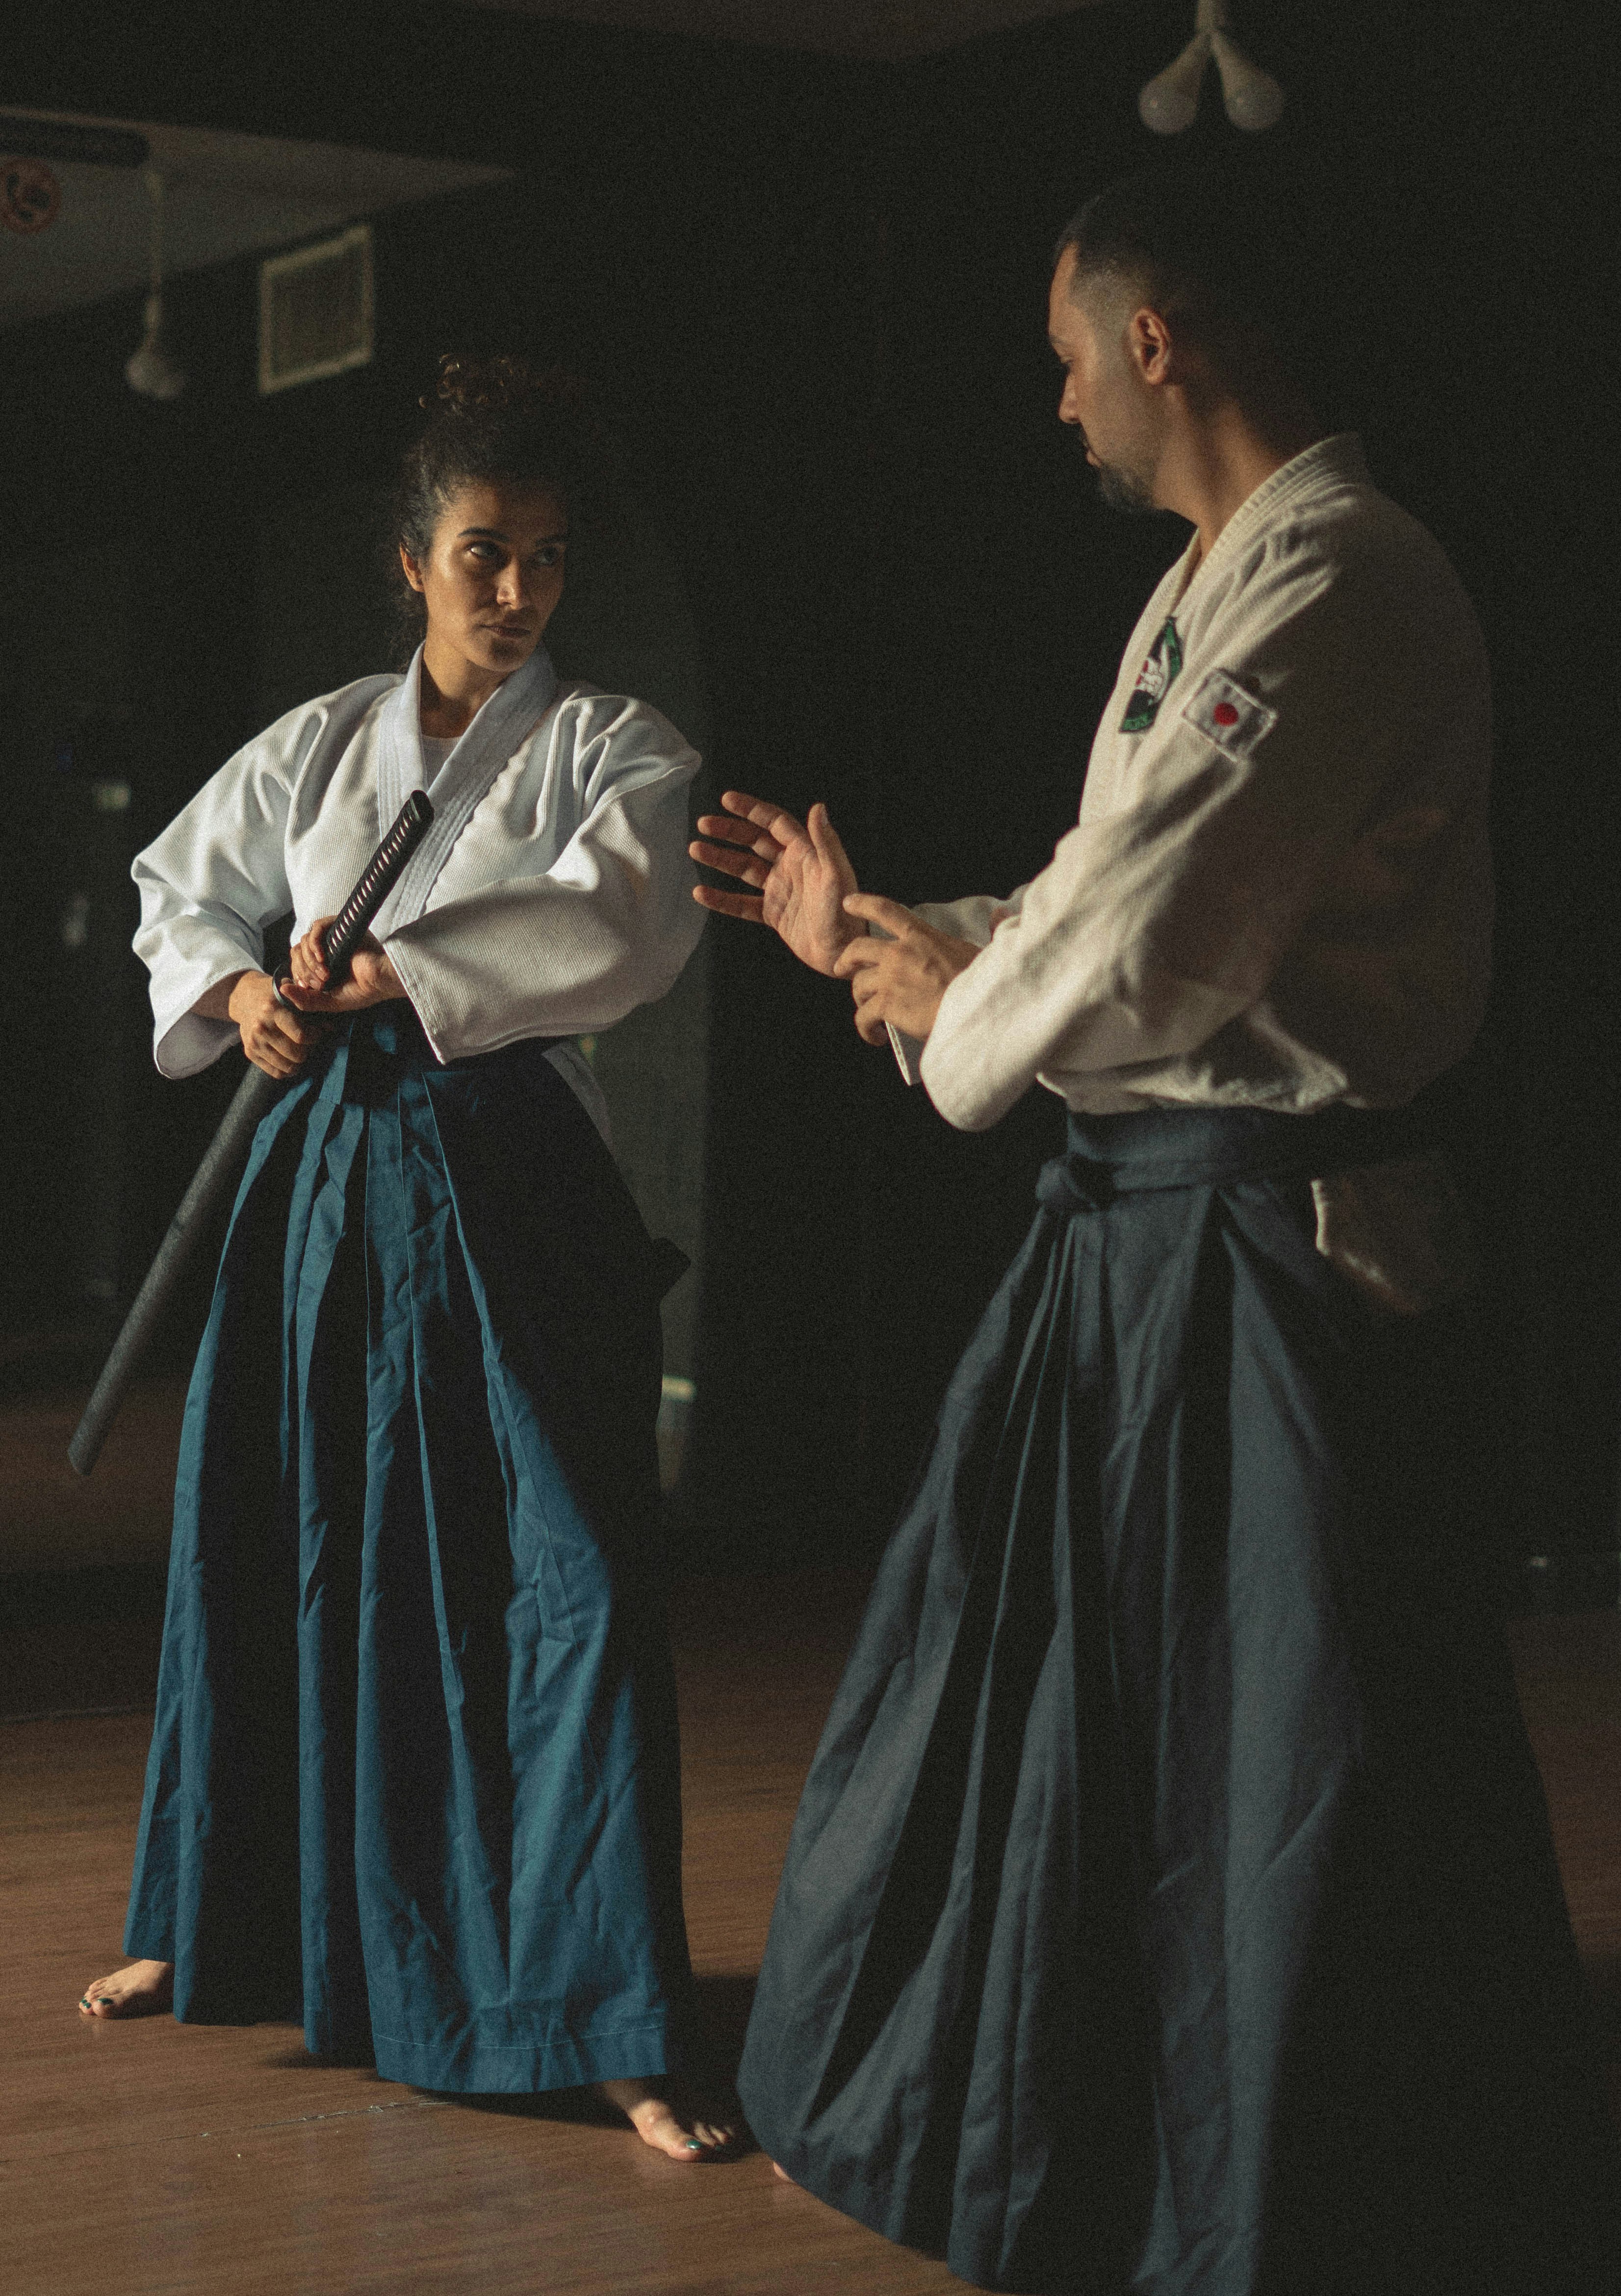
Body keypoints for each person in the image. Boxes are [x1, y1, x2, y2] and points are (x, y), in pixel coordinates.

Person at [695, 163, 1620, 2289]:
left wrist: (955, 1015)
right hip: (1137, 1233)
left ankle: (1308, 2190)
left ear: (1153, 341)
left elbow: (1158, 932)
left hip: (1267, 1256)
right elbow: (1094, 884)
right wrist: (901, 936)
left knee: (1281, 1744)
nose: (1052, 412)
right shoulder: (1219, 574)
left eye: (1059, 365)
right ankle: (1073, 2136)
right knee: (1072, 1721)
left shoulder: (1347, 575)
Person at [77, 355, 733, 2161]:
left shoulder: (615, 748)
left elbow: (626, 900)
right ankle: (228, 1924)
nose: (515, 594)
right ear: (408, 561)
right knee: (287, 1539)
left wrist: (397, 969)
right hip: (322, 1189)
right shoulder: (315, 744)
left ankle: (598, 2007)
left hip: (505, 1175)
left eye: (544, 557)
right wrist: (238, 994)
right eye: (479, 554)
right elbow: (175, 885)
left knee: (565, 1575)